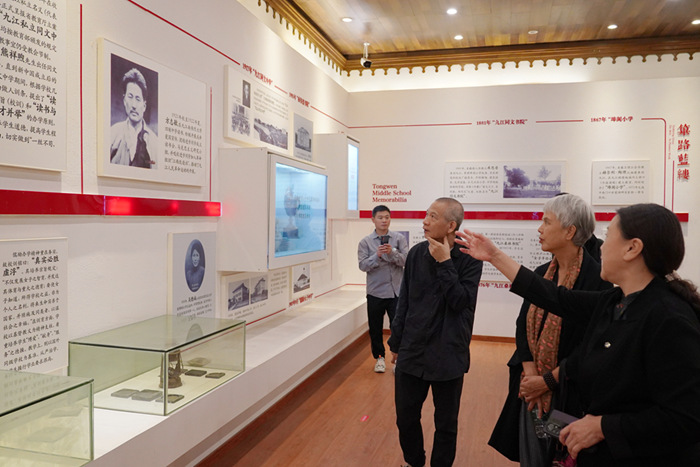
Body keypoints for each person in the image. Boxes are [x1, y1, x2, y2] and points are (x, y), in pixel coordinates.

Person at [457, 203, 700, 466]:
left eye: (608, 236)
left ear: (633, 248)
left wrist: (603, 427)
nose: (601, 246)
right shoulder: (615, 301)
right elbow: (552, 296)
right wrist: (494, 255)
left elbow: (686, 418)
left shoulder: (670, 319)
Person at [488, 194, 612, 465]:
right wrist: (532, 375)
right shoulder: (543, 271)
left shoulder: (597, 280)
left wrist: (547, 381)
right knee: (532, 455)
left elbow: (589, 346)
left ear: (569, 231)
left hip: (567, 391)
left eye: (546, 222)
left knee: (560, 454)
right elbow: (523, 325)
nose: (539, 228)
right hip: (530, 388)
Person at [388, 197, 483, 467]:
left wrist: (444, 262)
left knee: (446, 424)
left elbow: (460, 301)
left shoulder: (469, 258)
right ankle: (414, 462)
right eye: (426, 215)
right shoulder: (417, 253)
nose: (425, 221)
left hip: (448, 353)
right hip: (413, 349)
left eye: (432, 216)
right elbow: (405, 301)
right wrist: (396, 343)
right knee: (405, 417)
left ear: (451, 225)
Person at [357, 205, 408, 373]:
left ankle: (397, 358)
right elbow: (362, 266)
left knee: (398, 327)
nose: (384, 220)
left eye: (387, 217)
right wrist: (377, 255)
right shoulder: (365, 242)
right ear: (373, 220)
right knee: (375, 328)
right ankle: (379, 358)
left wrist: (392, 253)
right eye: (380, 217)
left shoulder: (399, 239)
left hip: (396, 292)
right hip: (376, 292)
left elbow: (406, 261)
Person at [110, 67, 157, 168]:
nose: (134, 105)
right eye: (130, 97)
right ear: (124, 100)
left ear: (144, 106)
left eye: (138, 99)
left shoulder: (153, 141)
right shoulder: (113, 133)